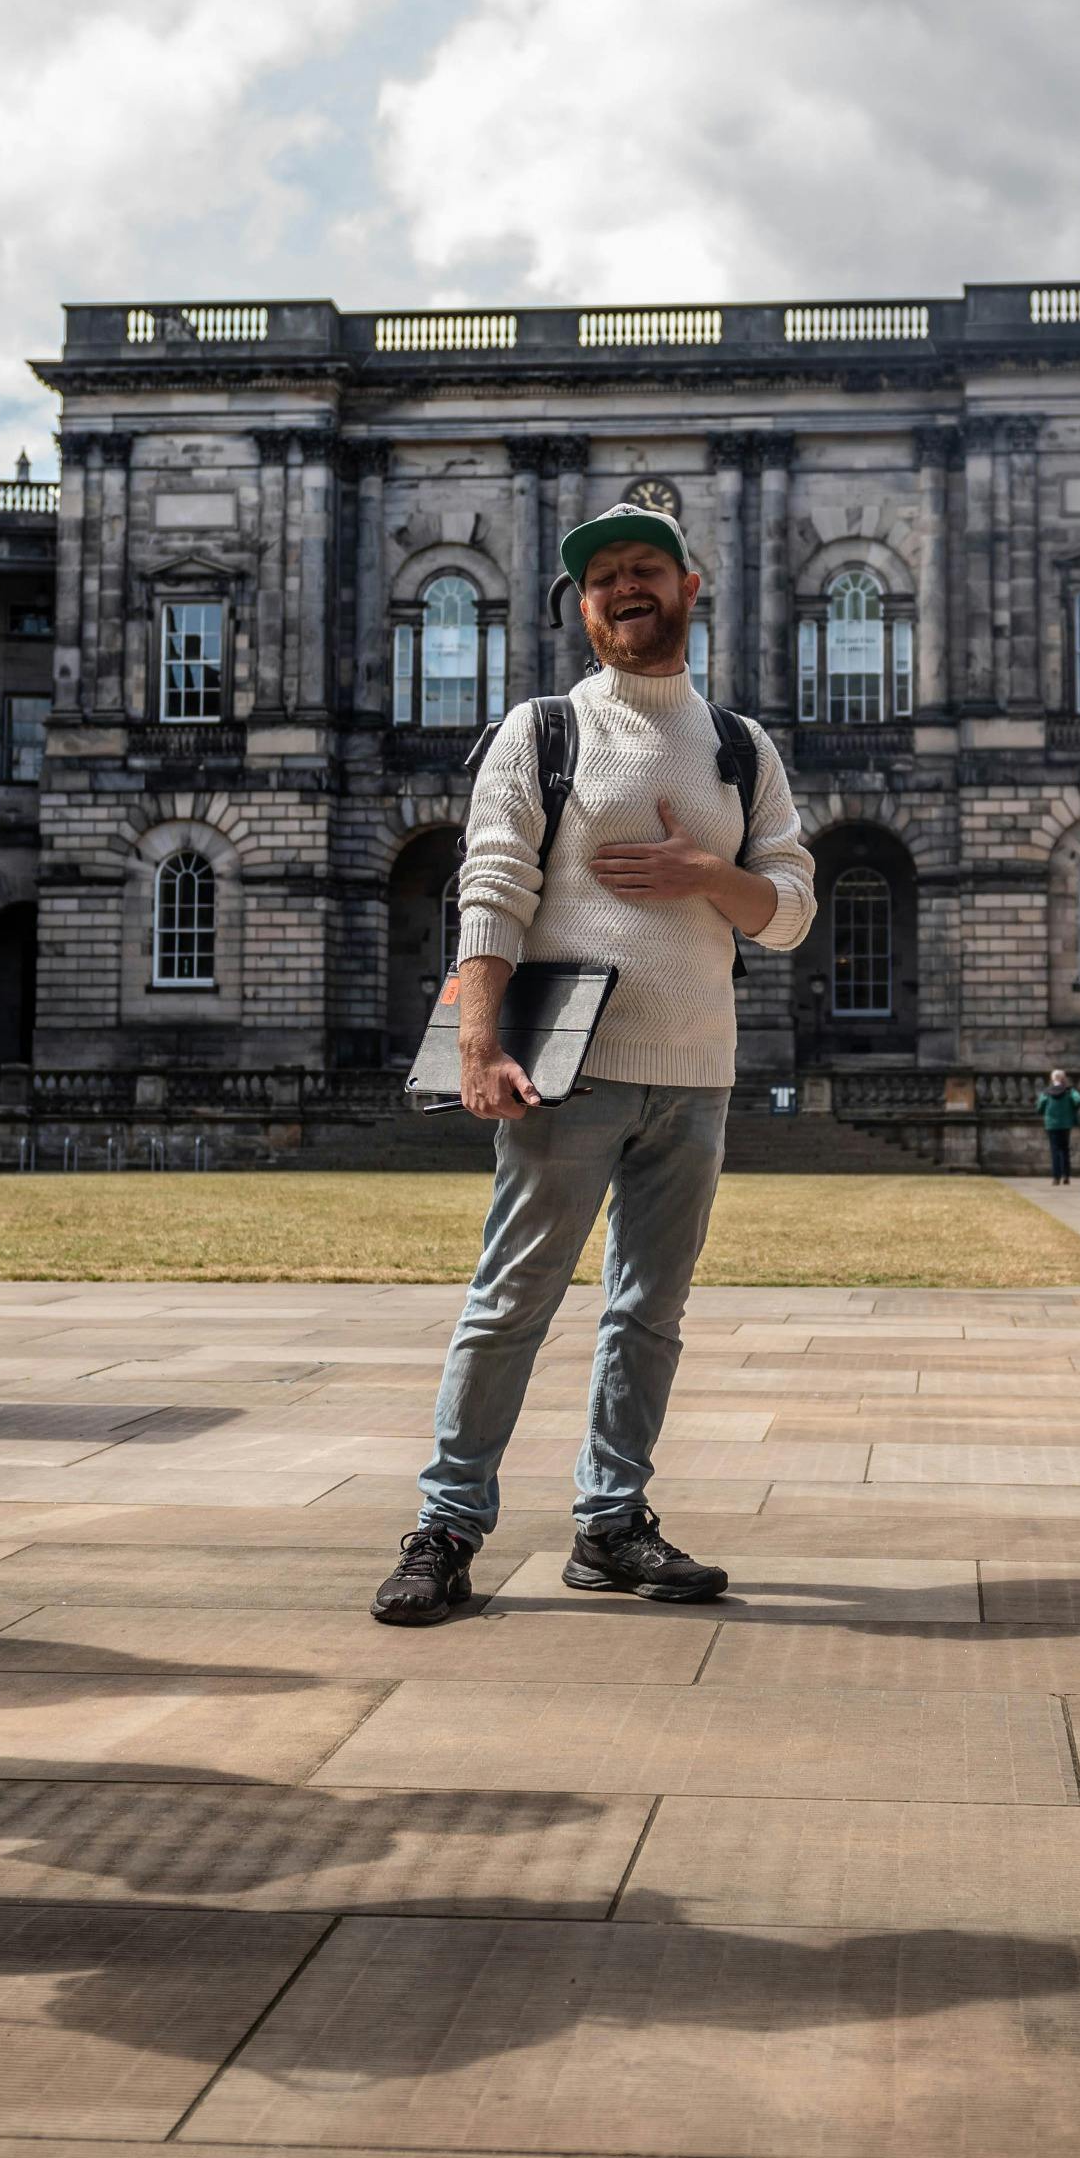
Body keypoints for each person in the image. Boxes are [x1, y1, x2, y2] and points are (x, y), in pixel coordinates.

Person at [368, 495, 815, 1634]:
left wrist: (702, 873)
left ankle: (610, 1524)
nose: (624, 588)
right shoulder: (543, 731)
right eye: (602, 576)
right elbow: (493, 884)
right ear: (580, 607)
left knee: (647, 1315)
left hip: (698, 1073)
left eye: (644, 570)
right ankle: (446, 1528)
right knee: (510, 1301)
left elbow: (793, 911)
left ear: (686, 590)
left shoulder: (739, 744)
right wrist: (475, 1040)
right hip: (566, 1070)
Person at [1038, 1069, 1080, 1187]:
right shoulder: (1069, 1091)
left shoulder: (1046, 1092)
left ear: (1052, 1079)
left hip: (1051, 1124)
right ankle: (1066, 1176)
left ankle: (1056, 1178)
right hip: (1065, 1123)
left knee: (1054, 1150)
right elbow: (1079, 1100)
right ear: (1063, 1078)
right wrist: (1072, 1109)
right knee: (1065, 1150)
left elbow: (1040, 1106)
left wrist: (1044, 1112)